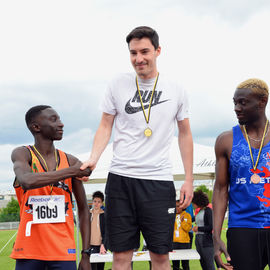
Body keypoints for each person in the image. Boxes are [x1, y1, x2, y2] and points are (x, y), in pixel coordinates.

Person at [81, 26, 194, 270]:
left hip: (158, 181)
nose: (138, 59)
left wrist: (188, 179)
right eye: (133, 53)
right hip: (121, 179)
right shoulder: (117, 84)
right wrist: (93, 158)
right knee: (120, 257)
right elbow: (104, 125)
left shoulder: (176, 88)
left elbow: (185, 134)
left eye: (144, 51)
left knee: (161, 257)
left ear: (158, 51)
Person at [10, 105, 92, 270]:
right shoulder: (22, 154)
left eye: (60, 119)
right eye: (54, 119)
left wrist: (85, 254)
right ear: (36, 127)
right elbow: (27, 180)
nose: (61, 124)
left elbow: (83, 209)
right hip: (29, 250)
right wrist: (71, 172)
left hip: (63, 250)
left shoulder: (69, 161)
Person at [213, 78, 270, 270]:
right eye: (235, 102)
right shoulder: (226, 140)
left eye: (243, 103)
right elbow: (221, 190)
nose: (237, 108)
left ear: (262, 101)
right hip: (242, 228)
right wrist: (216, 237)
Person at [192, 190, 215, 270]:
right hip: (198, 239)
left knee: (209, 264)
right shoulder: (199, 211)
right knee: (203, 263)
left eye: (193, 202)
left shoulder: (208, 211)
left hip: (206, 241)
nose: (193, 204)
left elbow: (211, 227)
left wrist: (198, 228)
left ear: (198, 201)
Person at [172, 198, 192, 270]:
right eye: (175, 206)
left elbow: (188, 229)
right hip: (174, 243)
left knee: (185, 264)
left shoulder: (187, 215)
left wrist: (182, 221)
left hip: (184, 243)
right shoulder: (171, 216)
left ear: (183, 207)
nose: (176, 208)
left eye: (178, 206)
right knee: (175, 264)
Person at [90, 191, 106, 270]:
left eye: (99, 202)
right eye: (95, 201)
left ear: (102, 203)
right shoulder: (88, 214)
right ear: (92, 202)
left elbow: (106, 232)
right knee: (92, 267)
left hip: (101, 246)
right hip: (90, 245)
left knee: (100, 267)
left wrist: (103, 244)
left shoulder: (104, 215)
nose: (96, 204)